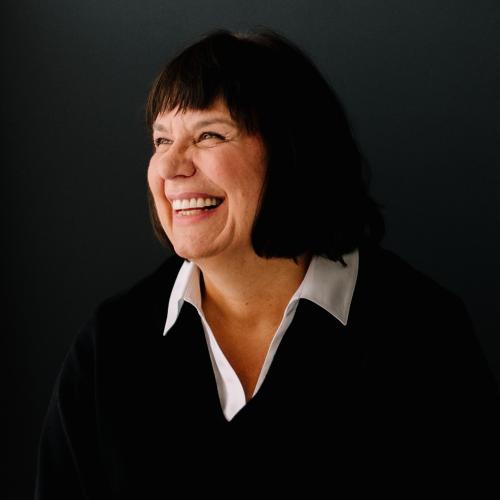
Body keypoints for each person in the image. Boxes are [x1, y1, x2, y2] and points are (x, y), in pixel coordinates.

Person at [35, 27, 500, 498]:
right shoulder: (110, 345)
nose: (172, 167)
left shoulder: (423, 331)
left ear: (292, 150)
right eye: (161, 140)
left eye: (209, 135)